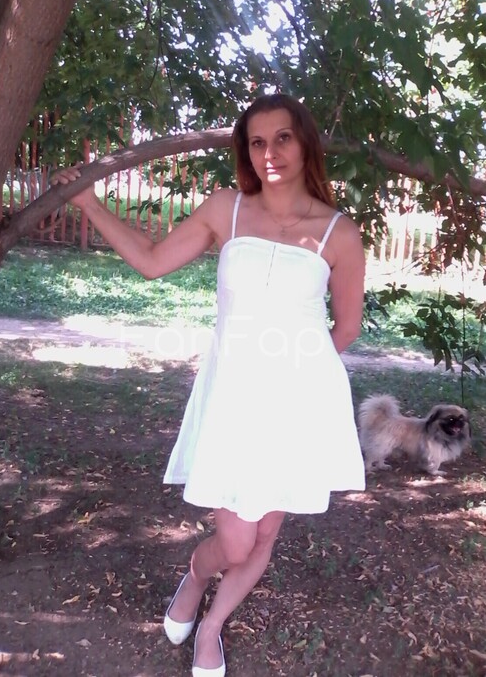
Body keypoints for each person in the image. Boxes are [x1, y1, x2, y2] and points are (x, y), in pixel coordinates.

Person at [52, 93, 366, 676]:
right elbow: (151, 260)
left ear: (305, 143)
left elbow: (344, 329)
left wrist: (293, 372)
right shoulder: (227, 209)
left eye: (283, 138)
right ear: (246, 152)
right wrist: (89, 204)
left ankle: (212, 626)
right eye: (257, 142)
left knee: (265, 535)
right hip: (231, 404)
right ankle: (196, 576)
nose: (270, 152)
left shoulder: (339, 234)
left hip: (295, 406)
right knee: (238, 542)